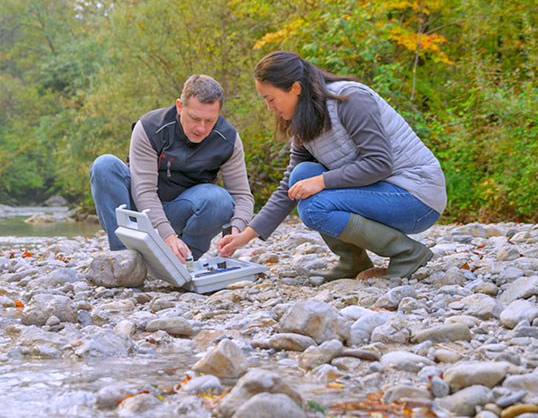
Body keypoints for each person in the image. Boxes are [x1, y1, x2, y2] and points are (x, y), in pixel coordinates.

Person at [218, 51, 446, 280]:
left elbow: (379, 163)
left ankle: (407, 253)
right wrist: (245, 236)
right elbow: (290, 186)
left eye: (270, 99)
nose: (269, 108)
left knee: (313, 206)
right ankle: (354, 261)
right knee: (301, 175)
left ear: (295, 88)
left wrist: (322, 181)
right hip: (382, 192)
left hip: (417, 197)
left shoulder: (350, 100)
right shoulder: (305, 122)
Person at [90, 74, 254, 263]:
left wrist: (237, 230)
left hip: (182, 208)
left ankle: (182, 259)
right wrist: (167, 235)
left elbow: (242, 195)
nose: (201, 128)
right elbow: (144, 191)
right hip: (139, 208)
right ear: (179, 107)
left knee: (220, 200)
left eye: (210, 121)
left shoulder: (228, 139)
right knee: (104, 165)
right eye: (194, 118)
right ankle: (124, 259)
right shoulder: (150, 127)